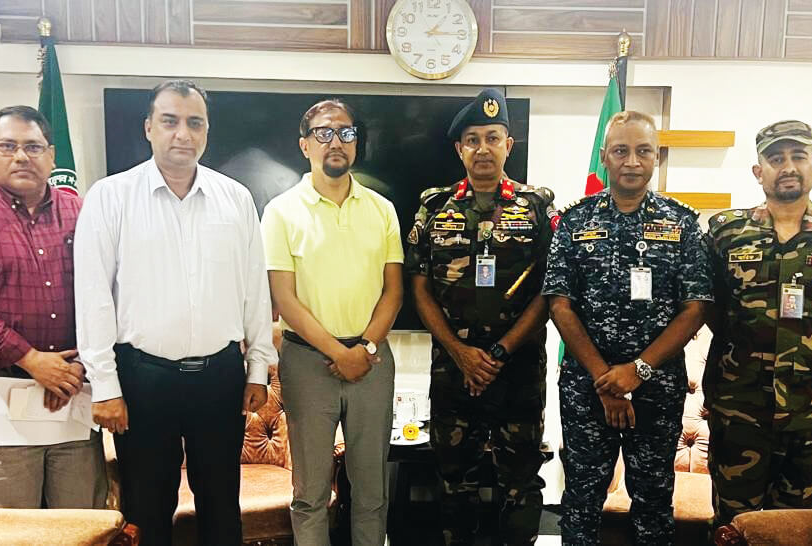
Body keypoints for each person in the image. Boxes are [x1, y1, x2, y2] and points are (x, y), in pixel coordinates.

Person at [75, 79, 275, 545]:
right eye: (170, 121)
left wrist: (258, 368)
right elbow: (93, 295)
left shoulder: (236, 198)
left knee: (221, 507)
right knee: (147, 509)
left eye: (194, 123)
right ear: (149, 127)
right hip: (143, 379)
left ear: (206, 131)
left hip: (220, 377)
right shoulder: (110, 196)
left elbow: (254, 290)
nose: (182, 133)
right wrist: (105, 385)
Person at [544, 110, 712, 544]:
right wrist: (606, 380)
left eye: (643, 151)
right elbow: (560, 306)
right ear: (604, 157)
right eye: (621, 151)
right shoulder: (575, 221)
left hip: (657, 388)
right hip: (587, 389)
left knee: (653, 503)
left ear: (656, 157)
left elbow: (695, 308)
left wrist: (637, 371)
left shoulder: (681, 223)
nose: (632, 161)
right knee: (581, 502)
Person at [0, 106, 105, 509]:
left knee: (82, 515)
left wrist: (78, 365)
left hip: (73, 382)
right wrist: (32, 360)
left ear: (52, 155)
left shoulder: (81, 211)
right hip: (2, 384)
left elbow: (105, 292)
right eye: (8, 146)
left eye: (33, 147)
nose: (21, 156)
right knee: (14, 519)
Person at [406, 88, 555, 545]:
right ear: (460, 149)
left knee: (521, 484)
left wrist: (498, 354)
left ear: (509, 145)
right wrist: (460, 353)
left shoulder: (537, 206)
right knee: (454, 482)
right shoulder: (435, 206)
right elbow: (419, 287)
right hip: (453, 371)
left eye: (493, 138)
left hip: (518, 369)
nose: (483, 148)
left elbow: (550, 290)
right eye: (473, 140)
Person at [704, 120, 812, 528]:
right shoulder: (727, 233)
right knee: (732, 524)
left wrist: (811, 347)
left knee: (795, 527)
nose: (788, 167)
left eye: (798, 156)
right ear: (758, 171)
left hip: (811, 407)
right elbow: (711, 309)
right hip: (739, 405)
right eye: (776, 158)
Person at [262, 99, 404, 545]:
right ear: (305, 145)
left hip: (371, 361)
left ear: (356, 144)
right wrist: (340, 354)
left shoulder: (382, 209)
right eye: (323, 133)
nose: (336, 141)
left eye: (346, 132)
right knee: (310, 493)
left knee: (371, 491)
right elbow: (284, 298)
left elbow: (394, 291)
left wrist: (365, 349)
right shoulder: (281, 211)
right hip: (308, 364)